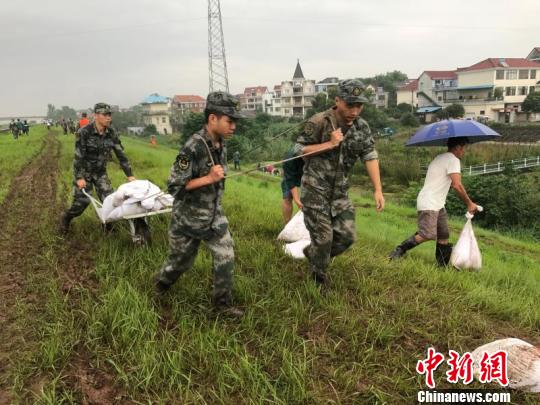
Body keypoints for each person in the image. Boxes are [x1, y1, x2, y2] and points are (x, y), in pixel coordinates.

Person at [154, 91, 244, 317]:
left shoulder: (221, 143)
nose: (233, 126)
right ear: (213, 118)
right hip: (188, 218)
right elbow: (174, 187)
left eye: (235, 122)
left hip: (214, 214)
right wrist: (209, 178)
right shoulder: (192, 147)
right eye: (229, 121)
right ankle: (160, 286)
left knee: (226, 256)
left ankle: (221, 306)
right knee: (180, 263)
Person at [294, 79, 385, 286]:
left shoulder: (362, 127)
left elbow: (370, 155)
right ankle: (318, 278)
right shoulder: (319, 121)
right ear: (337, 101)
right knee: (324, 238)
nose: (354, 110)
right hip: (315, 189)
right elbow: (298, 150)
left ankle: (315, 253)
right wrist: (329, 144)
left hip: (340, 193)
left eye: (359, 105)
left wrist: (378, 189)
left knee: (347, 237)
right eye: (349, 104)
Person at [59, 103, 149, 241]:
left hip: (100, 173)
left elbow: (121, 155)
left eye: (110, 115)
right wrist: (79, 177)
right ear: (95, 116)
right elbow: (78, 157)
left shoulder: (111, 133)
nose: (108, 117)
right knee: (81, 203)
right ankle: (66, 217)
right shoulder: (84, 132)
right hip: (85, 173)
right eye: (105, 115)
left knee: (110, 200)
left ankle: (107, 226)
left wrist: (130, 175)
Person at [388, 137, 478, 265]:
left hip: (438, 203)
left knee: (444, 234)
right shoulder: (453, 160)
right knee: (428, 234)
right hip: (430, 202)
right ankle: (400, 249)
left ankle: (441, 265)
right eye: (464, 148)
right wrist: (469, 203)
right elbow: (457, 185)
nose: (464, 152)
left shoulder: (440, 157)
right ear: (458, 147)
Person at [281, 146, 304, 224]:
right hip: (291, 173)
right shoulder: (289, 158)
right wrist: (297, 201)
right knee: (287, 197)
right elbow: (290, 181)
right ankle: (287, 225)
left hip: (309, 173)